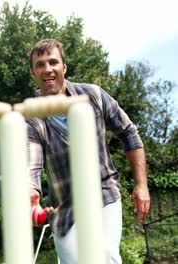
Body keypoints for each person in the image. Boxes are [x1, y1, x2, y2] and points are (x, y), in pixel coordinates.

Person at [26, 38, 150, 264]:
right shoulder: (31, 117)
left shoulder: (93, 95)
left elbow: (129, 133)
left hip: (104, 192)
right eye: (40, 64)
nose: (47, 69)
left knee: (106, 257)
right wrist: (31, 192)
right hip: (65, 207)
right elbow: (32, 163)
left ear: (64, 67)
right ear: (33, 73)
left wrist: (141, 184)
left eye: (53, 62)